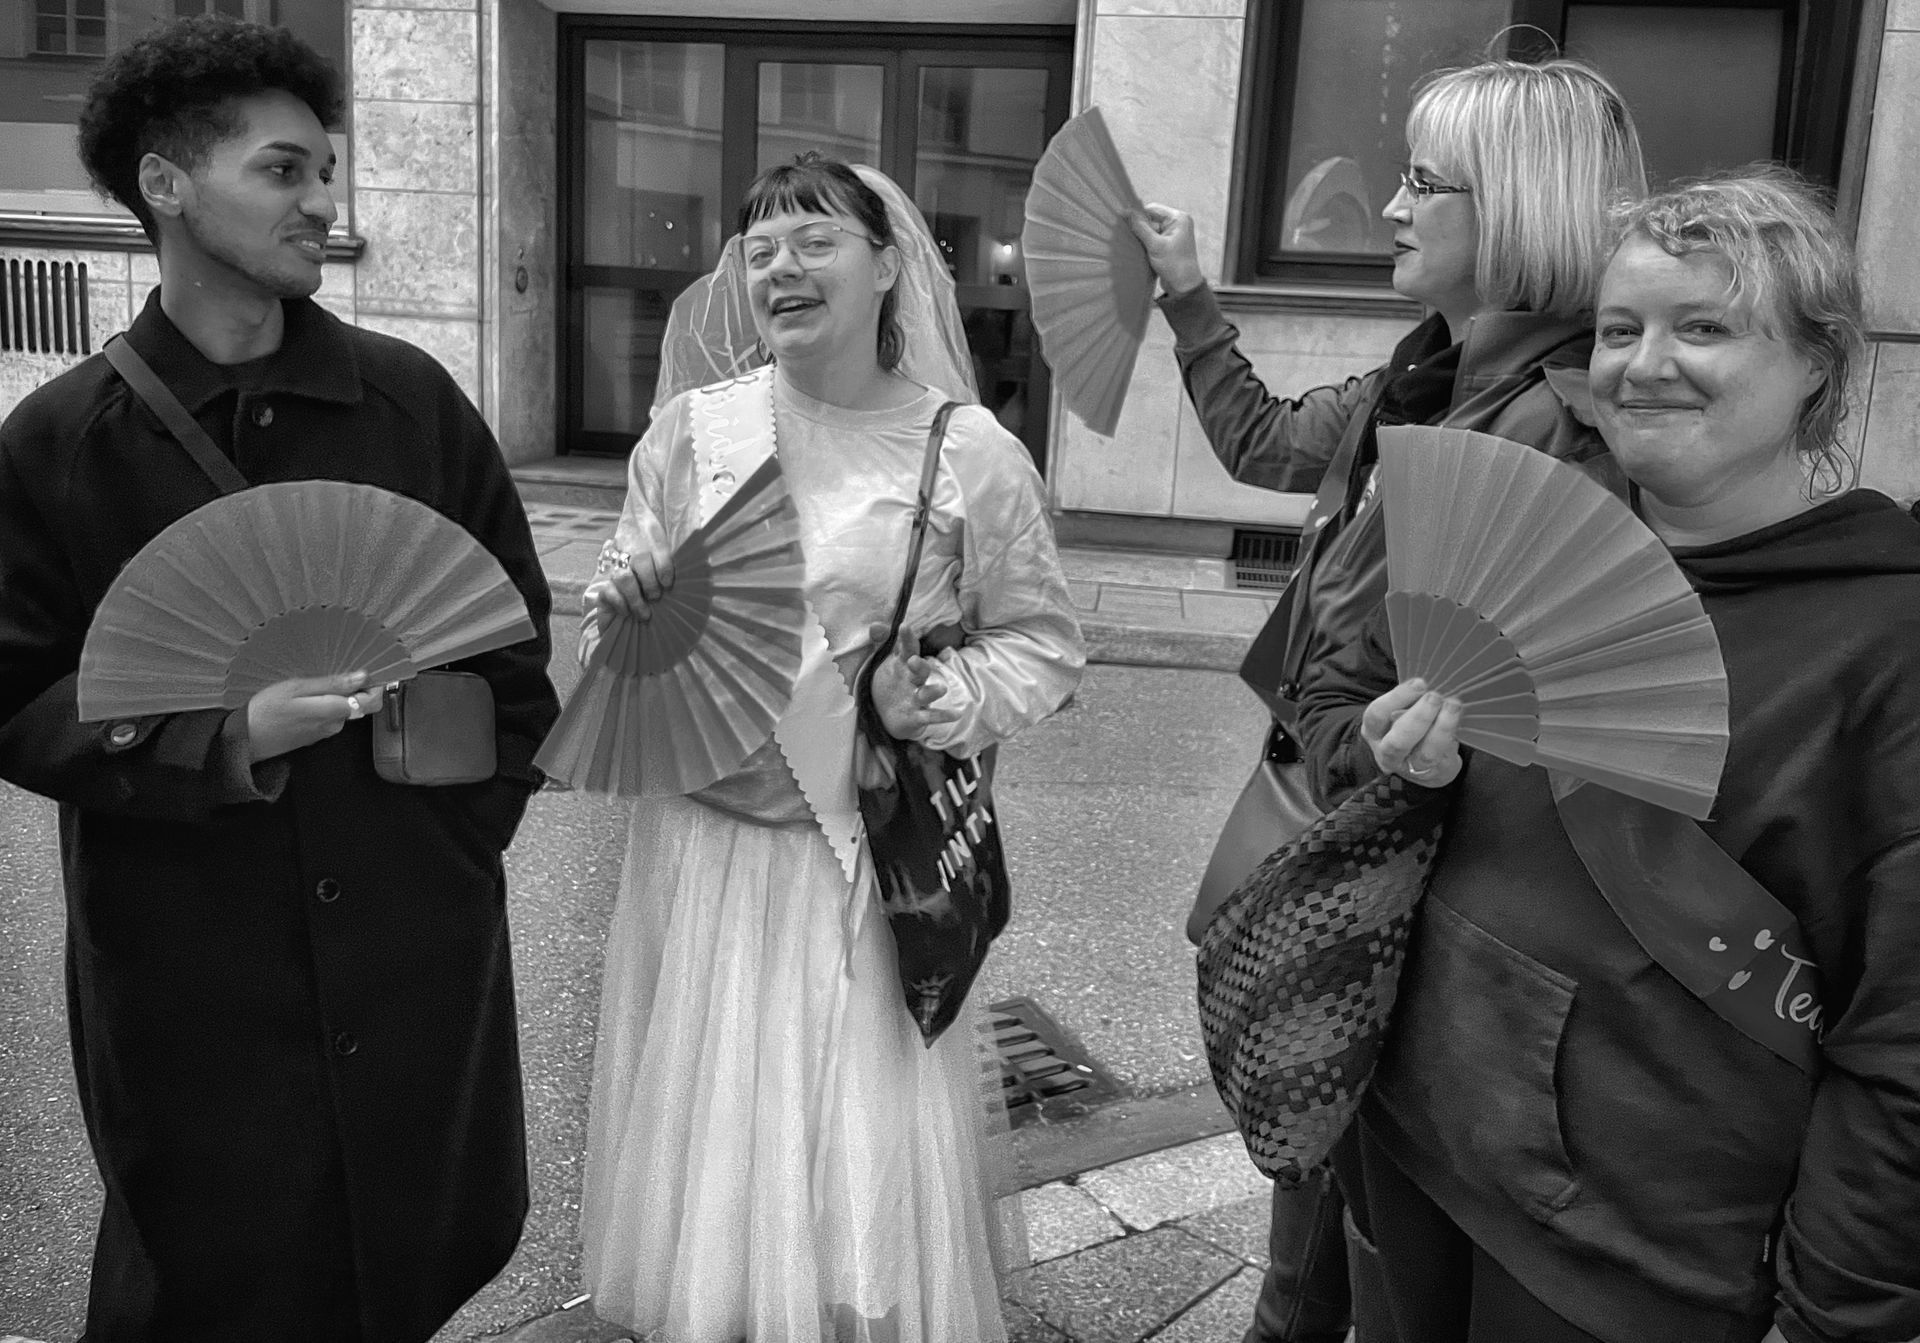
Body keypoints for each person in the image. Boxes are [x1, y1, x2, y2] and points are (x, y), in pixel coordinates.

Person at [0, 16, 559, 1340]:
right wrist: (220, 735)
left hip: (411, 943)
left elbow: (516, 654)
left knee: (409, 1248)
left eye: (327, 173)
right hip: (188, 959)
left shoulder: (411, 404)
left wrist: (451, 837)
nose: (323, 203)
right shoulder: (60, 441)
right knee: (210, 1262)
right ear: (165, 182)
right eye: (284, 170)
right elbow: (14, 690)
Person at [1297, 171, 1920, 1343]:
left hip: (1641, 1267)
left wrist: (1840, 1314)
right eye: (1622, 328)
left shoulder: (1888, 647)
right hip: (1411, 1155)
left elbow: (1903, 1044)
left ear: (1819, 365)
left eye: (1706, 327)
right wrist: (1395, 765)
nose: (1643, 364)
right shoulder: (1528, 544)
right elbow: (1338, 716)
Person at [1128, 56, 1646, 1343]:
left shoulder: (1552, 431)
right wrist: (1190, 293)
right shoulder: (1424, 376)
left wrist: (1382, 748)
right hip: (1323, 834)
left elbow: (1539, 738)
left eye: (1425, 180)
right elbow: (1262, 440)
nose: (1393, 206)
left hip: (1413, 897)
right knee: (1316, 1205)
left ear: (1519, 206)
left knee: (1354, 1251)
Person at [577, 152, 1084, 1342]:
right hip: (708, 837)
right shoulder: (694, 432)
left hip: (859, 850)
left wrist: (938, 697)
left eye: (814, 240)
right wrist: (628, 597)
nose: (780, 267)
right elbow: (613, 609)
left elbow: (1047, 648)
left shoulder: (964, 453)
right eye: (758, 249)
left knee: (851, 1125)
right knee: (725, 1120)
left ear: (889, 266)